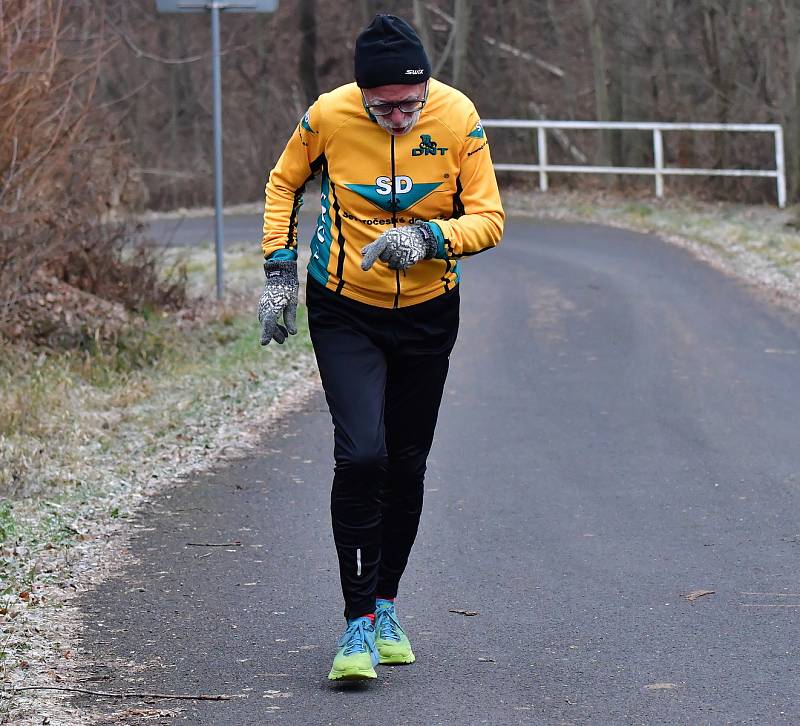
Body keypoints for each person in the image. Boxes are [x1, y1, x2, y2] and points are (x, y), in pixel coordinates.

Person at [258, 14, 504, 681]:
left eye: (411, 103)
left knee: (406, 461)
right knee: (362, 453)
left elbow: (489, 217)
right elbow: (285, 182)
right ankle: (356, 624)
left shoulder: (458, 117)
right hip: (346, 310)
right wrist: (279, 276)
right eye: (386, 106)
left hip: (428, 311)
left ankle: (387, 604)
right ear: (362, 94)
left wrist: (429, 240)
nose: (400, 116)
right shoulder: (328, 116)